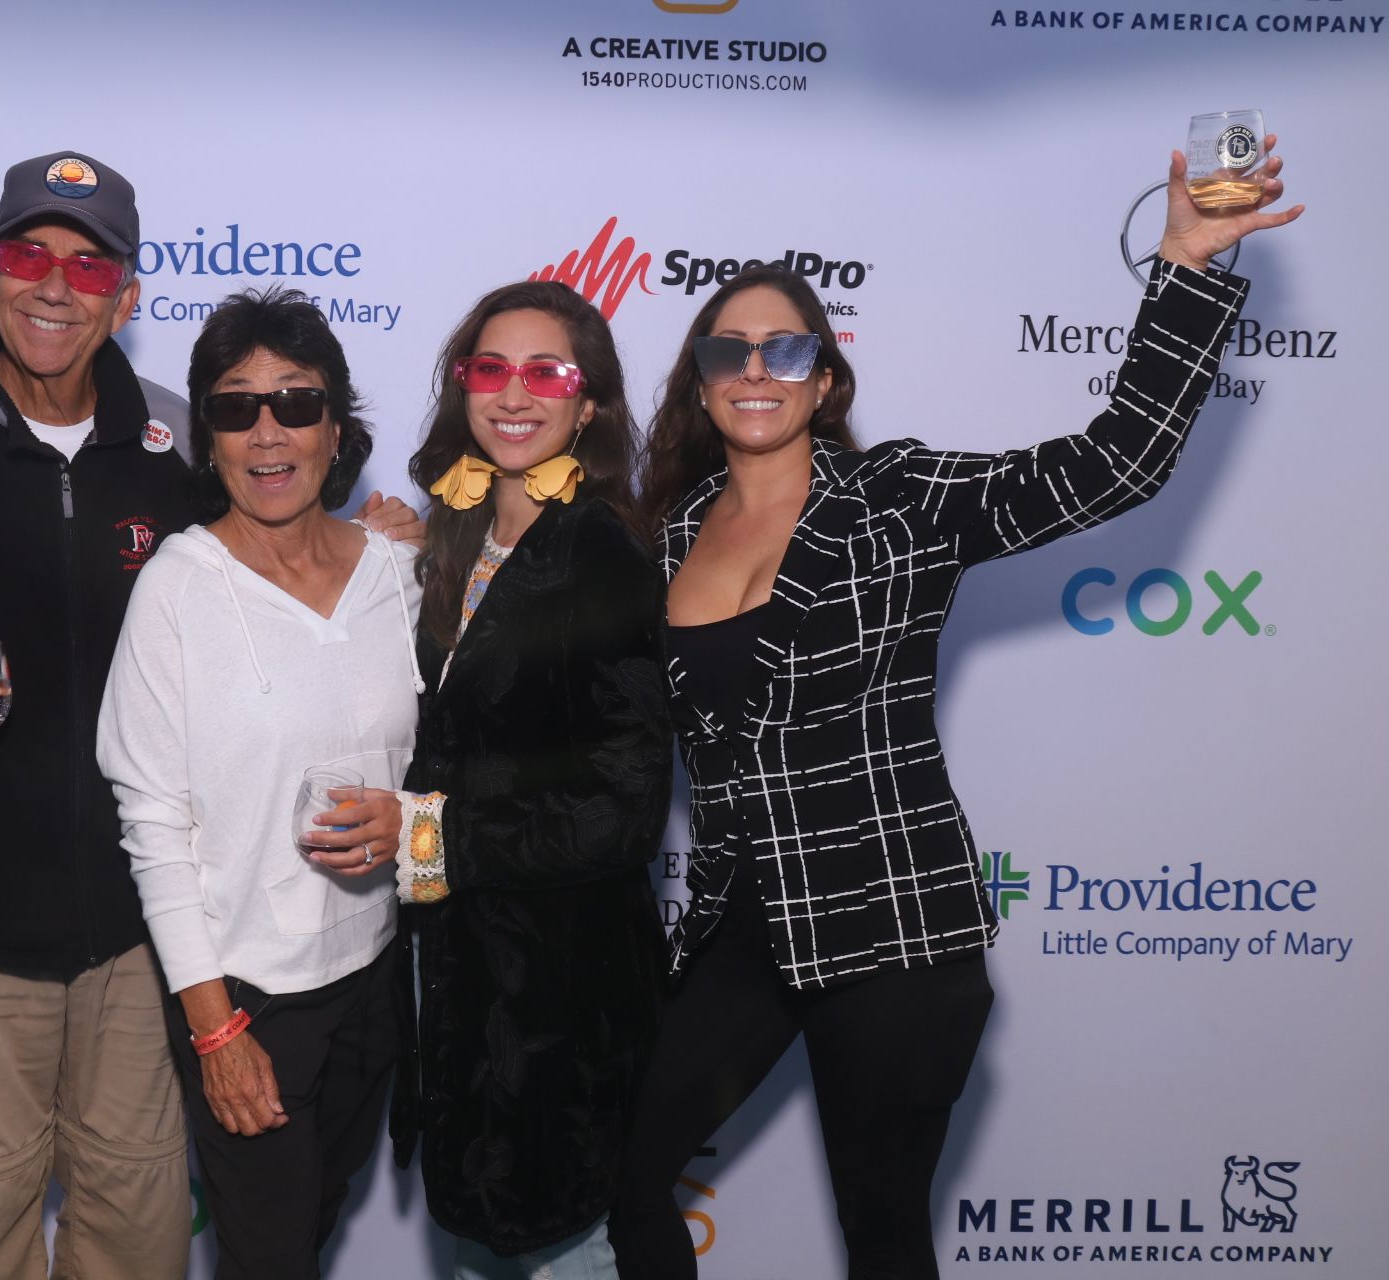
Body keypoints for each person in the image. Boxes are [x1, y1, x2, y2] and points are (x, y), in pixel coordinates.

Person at [608, 145, 1304, 1280]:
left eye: (787, 348)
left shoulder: (899, 499)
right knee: (633, 1180)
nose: (756, 369)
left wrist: (1182, 268)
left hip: (895, 932)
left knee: (883, 1236)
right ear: (699, 382)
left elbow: (1117, 464)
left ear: (825, 381)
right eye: (728, 350)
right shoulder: (671, 535)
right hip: (747, 926)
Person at [0, 152, 418, 1280]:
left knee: (137, 1246)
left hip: (143, 941)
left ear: (127, 297)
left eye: (89, 264)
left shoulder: (183, 442)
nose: (55, 285)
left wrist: (383, 541)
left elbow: (284, 536)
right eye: (30, 255)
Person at [98, 286, 422, 1280]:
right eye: (238, 408)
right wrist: (216, 1031)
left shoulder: (397, 573)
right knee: (269, 1259)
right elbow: (153, 824)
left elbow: (453, 762)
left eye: (298, 402)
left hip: (376, 978)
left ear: (337, 429)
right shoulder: (177, 588)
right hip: (248, 998)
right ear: (210, 440)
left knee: (309, 1232)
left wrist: (412, 822)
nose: (269, 431)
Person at [387, 280, 674, 1280]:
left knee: (565, 1243)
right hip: (462, 976)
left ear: (588, 402)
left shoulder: (601, 551)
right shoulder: (456, 532)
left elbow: (625, 808)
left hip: (559, 989)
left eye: (546, 373)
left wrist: (426, 839)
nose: (514, 395)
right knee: (483, 1241)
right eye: (491, 368)